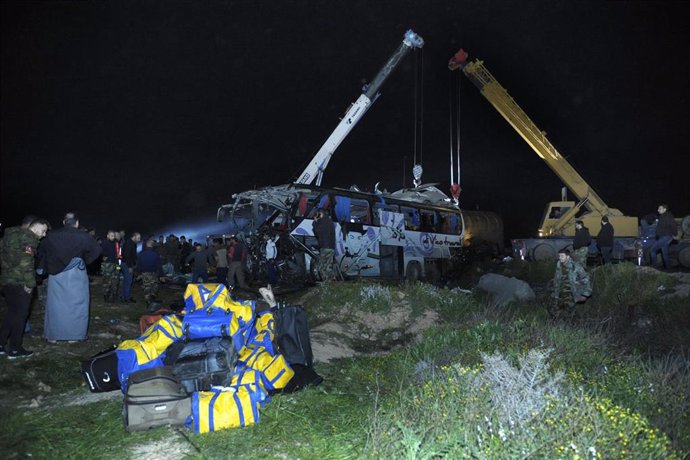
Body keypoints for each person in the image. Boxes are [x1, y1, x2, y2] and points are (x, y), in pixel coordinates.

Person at [38, 212, 101, 342]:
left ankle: (53, 336)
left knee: (55, 304)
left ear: (64, 222)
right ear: (77, 223)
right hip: (76, 272)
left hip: (55, 273)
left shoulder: (51, 235)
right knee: (77, 303)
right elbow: (97, 250)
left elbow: (41, 251)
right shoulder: (83, 236)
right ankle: (74, 336)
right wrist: (85, 261)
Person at [0, 218, 49, 358]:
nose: (44, 234)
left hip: (7, 281)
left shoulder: (8, 236)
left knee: (12, 314)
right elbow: (26, 262)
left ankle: (1, 343)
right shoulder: (28, 237)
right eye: (43, 230)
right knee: (20, 316)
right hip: (21, 282)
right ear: (35, 227)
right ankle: (15, 349)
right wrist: (29, 283)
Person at [550, 248, 592, 319]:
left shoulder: (576, 267)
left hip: (571, 293)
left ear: (568, 257)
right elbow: (556, 279)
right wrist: (554, 291)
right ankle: (556, 326)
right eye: (559, 256)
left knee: (569, 313)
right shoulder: (559, 265)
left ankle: (572, 325)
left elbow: (586, 280)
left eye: (562, 256)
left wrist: (585, 294)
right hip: (560, 293)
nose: (560, 258)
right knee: (554, 311)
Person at [648, 204, 677, 269]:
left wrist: (675, 234)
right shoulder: (662, 216)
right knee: (665, 254)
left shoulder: (667, 216)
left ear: (665, 209)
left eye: (660, 209)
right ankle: (668, 268)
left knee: (652, 249)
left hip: (666, 237)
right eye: (658, 209)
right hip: (663, 237)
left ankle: (654, 266)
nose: (658, 210)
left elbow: (674, 225)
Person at [312, 208, 336, 281]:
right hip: (330, 247)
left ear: (320, 213)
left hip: (325, 247)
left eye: (317, 214)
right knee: (328, 266)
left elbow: (317, 232)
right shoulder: (329, 221)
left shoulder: (323, 222)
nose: (316, 215)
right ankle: (332, 282)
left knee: (321, 267)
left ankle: (326, 283)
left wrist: (315, 222)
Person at [100, 230, 120, 303]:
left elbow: (119, 255)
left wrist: (118, 267)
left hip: (116, 264)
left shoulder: (117, 243)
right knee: (107, 280)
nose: (113, 237)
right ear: (108, 236)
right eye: (111, 235)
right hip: (107, 264)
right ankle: (106, 296)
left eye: (114, 235)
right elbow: (101, 253)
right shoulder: (104, 243)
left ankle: (113, 296)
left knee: (115, 280)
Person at [121, 232, 141, 303]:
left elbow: (132, 255)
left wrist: (134, 263)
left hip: (127, 264)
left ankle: (125, 296)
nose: (139, 240)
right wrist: (129, 266)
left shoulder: (132, 243)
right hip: (126, 264)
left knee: (127, 281)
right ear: (134, 236)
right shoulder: (129, 243)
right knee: (128, 281)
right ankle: (127, 298)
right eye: (138, 238)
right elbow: (127, 256)